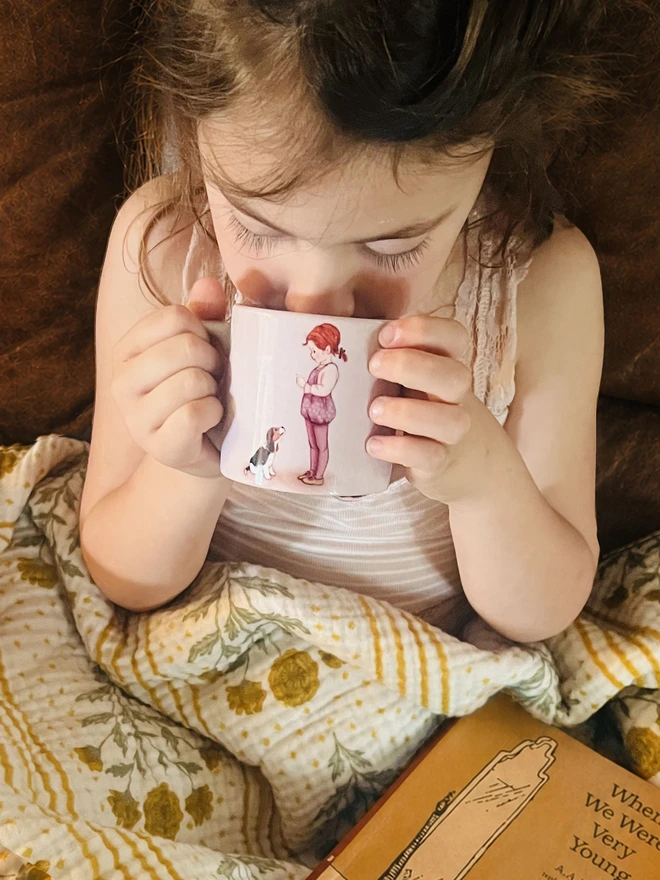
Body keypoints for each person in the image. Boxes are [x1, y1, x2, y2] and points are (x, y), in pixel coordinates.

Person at [79, 0, 610, 643]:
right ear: (190, 134)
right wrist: (185, 469)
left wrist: (482, 482)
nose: (315, 306)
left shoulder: (540, 285)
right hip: (215, 650)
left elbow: (542, 615)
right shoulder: (164, 249)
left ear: (488, 152)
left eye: (393, 247)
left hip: (421, 670)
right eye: (255, 228)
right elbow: (123, 579)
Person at [296, 323, 346, 486]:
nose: (312, 355)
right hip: (310, 411)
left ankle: (319, 476)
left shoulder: (330, 369)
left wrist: (305, 386)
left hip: (320, 413)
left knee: (321, 445)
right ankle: (312, 470)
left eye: (314, 351)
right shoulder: (319, 367)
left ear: (327, 349)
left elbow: (324, 390)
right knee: (312, 444)